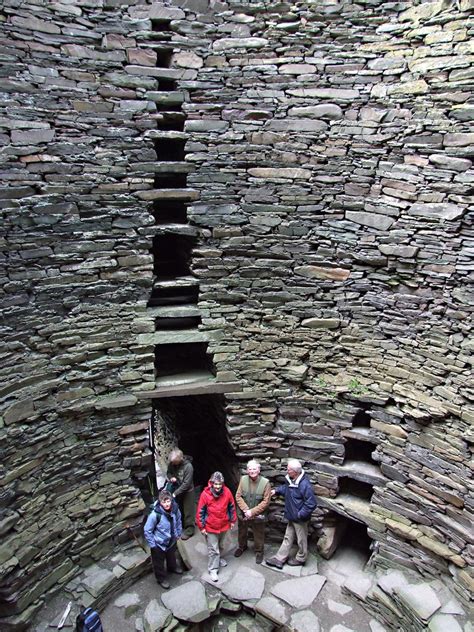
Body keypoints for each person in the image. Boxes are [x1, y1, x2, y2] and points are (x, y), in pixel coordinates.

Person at [265, 459, 317, 569]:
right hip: (292, 516)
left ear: (296, 471)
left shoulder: (305, 485)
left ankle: (301, 558)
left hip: (300, 519)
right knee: (288, 537)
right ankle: (280, 558)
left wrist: (300, 515)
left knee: (301, 539)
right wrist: (277, 490)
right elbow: (287, 489)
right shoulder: (291, 480)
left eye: (289, 469)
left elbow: (311, 504)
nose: (287, 471)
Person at [196, 471, 237, 582]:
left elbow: (231, 506)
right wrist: (202, 527)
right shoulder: (205, 495)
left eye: (220, 484)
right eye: (216, 484)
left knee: (221, 545)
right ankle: (213, 569)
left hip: (223, 524)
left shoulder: (227, 492)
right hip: (211, 526)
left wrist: (232, 520)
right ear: (211, 483)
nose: (218, 486)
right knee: (213, 549)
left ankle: (218, 560)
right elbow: (200, 511)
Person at [144, 489, 183, 589]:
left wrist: (178, 533)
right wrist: (153, 545)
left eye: (168, 501)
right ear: (160, 502)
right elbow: (147, 530)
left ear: (171, 500)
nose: (166, 504)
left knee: (171, 556)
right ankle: (161, 579)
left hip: (171, 540)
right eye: (164, 502)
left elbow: (178, 520)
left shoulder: (175, 509)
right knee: (158, 563)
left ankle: (172, 567)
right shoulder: (155, 515)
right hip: (159, 543)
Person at [234, 459, 271, 564]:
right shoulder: (243, 479)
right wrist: (246, 510)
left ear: (259, 470)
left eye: (254, 469)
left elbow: (266, 501)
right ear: (247, 470)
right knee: (242, 531)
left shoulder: (266, 483)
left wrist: (252, 512)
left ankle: (259, 551)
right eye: (250, 469)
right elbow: (238, 496)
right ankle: (242, 546)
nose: (252, 471)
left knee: (258, 533)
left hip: (258, 515)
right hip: (244, 513)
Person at [166, 448, 195, 540]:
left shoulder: (188, 467)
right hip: (177, 488)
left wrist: (174, 494)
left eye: (175, 462)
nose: (173, 464)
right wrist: (171, 478)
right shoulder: (172, 463)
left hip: (187, 491)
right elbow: (169, 472)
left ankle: (190, 530)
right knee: (179, 509)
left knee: (188, 511)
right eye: (173, 462)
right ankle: (182, 525)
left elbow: (186, 484)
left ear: (180, 459)